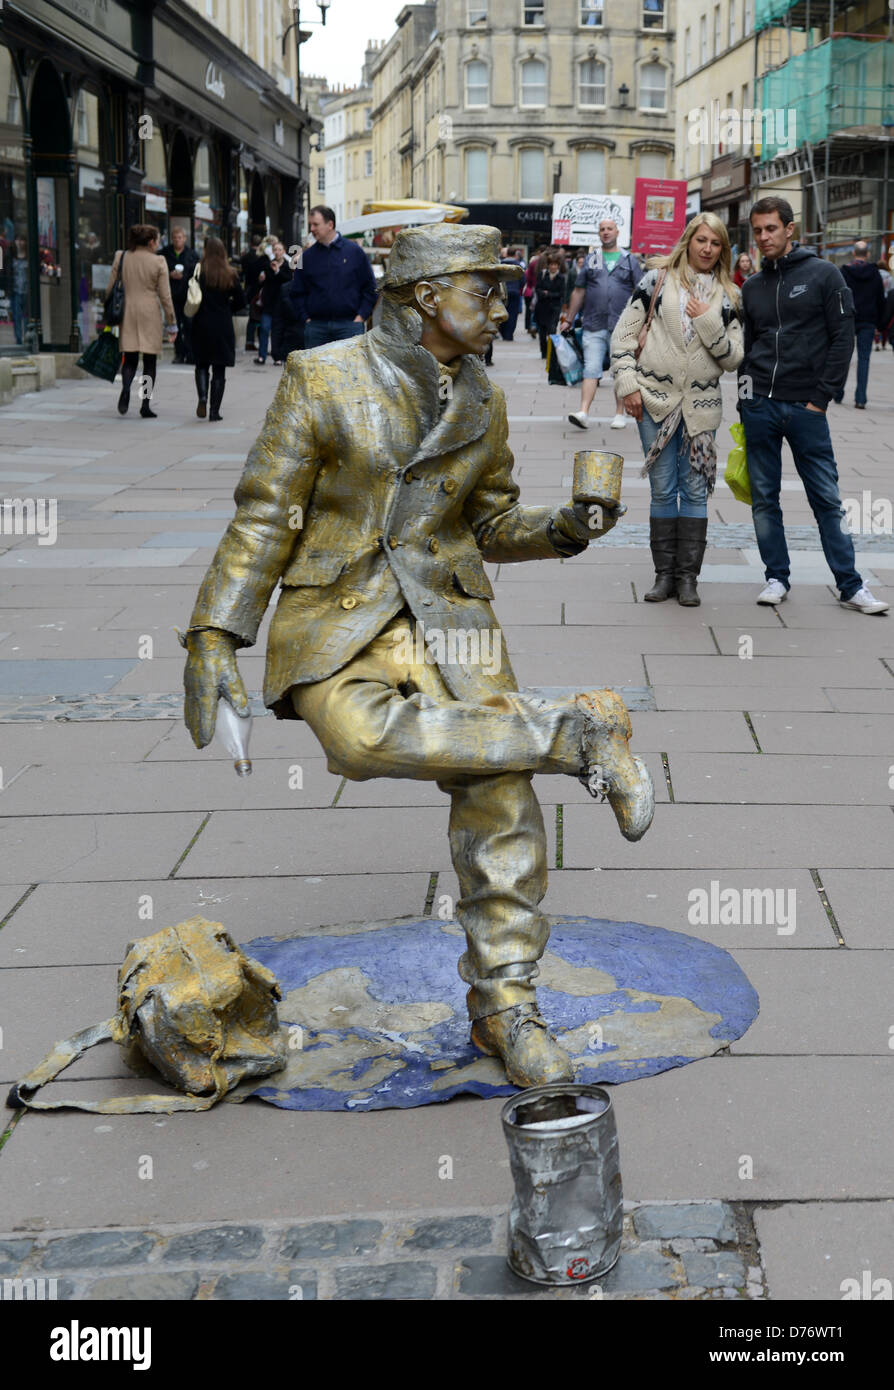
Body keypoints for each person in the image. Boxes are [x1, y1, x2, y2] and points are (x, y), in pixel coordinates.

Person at [180, 223, 654, 1089]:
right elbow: (263, 514)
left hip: (450, 617)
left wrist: (563, 529)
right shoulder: (322, 377)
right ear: (426, 295)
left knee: (499, 791)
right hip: (341, 612)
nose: (503, 307)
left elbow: (486, 523)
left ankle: (506, 1006)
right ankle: (571, 735)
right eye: (486, 291)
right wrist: (215, 633)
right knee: (357, 742)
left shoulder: (484, 395)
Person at [738, 196, 888, 615]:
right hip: (760, 407)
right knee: (764, 498)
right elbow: (748, 348)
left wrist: (821, 399)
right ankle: (776, 576)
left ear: (790, 229)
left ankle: (851, 586)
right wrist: (745, 399)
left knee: (826, 499)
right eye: (758, 230)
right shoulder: (752, 287)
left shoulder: (825, 275)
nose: (764, 237)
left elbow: (843, 340)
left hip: (806, 408)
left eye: (771, 228)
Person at [612, 212, 744, 607]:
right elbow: (622, 338)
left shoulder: (729, 294)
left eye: (715, 243)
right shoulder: (656, 280)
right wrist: (627, 385)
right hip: (653, 401)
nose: (707, 248)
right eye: (701, 240)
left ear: (723, 249)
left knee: (695, 492)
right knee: (663, 489)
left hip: (701, 409)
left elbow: (734, 358)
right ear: (688, 240)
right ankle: (663, 575)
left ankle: (688, 578)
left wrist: (707, 320)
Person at [560, 218, 644, 430]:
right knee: (591, 368)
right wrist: (569, 318)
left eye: (609, 229)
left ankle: (619, 414)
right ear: (598, 234)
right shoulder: (592, 259)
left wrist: (643, 324)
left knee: (620, 370)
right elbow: (579, 290)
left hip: (622, 326)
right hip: (593, 323)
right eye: (602, 229)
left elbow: (641, 293)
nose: (606, 232)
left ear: (617, 232)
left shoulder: (629, 260)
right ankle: (583, 412)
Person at [286, 205, 377, 350]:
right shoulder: (307, 257)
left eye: (316, 224)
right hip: (316, 328)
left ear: (330, 225)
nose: (312, 229)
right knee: (317, 372)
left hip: (349, 326)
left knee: (349, 372)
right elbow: (296, 291)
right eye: (310, 224)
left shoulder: (354, 252)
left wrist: (360, 317)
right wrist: (306, 319)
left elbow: (370, 287)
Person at [108, 224, 176, 419]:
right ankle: (145, 403)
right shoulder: (159, 261)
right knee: (149, 361)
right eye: (156, 240)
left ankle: (126, 388)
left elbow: (110, 286)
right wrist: (172, 321)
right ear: (150, 241)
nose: (158, 244)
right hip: (149, 312)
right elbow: (165, 295)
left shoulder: (121, 257)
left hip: (127, 311)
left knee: (129, 358)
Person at [189, 236, 247, 423]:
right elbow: (241, 301)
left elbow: (187, 293)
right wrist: (227, 307)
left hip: (201, 323)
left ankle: (203, 397)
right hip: (222, 325)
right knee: (219, 370)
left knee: (202, 364)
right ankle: (214, 411)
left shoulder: (199, 270)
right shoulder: (230, 273)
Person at [835, 242, 885, 408]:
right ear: (867, 254)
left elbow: (839, 296)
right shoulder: (875, 273)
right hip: (868, 320)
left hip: (848, 318)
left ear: (854, 253)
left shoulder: (844, 271)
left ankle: (838, 393)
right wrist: (880, 322)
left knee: (844, 357)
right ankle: (861, 399)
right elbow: (880, 299)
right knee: (864, 359)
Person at [157, 225, 199, 363]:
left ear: (185, 239)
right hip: (171, 294)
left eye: (180, 237)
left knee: (189, 325)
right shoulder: (164, 253)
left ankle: (191, 353)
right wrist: (169, 274)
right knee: (174, 325)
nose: (177, 240)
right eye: (174, 237)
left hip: (188, 295)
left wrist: (185, 275)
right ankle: (179, 353)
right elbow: (158, 270)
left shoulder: (192, 254)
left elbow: (196, 273)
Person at [253, 241, 291, 365]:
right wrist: (261, 279)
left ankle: (277, 357)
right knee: (264, 329)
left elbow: (287, 280)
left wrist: (277, 271)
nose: (277, 252)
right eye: (275, 250)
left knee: (277, 332)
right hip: (268, 303)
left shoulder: (287, 266)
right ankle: (262, 356)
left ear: (284, 251)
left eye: (280, 250)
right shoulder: (268, 265)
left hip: (281, 305)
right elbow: (265, 281)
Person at [534, 251, 565, 359]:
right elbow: (537, 289)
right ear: (548, 265)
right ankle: (543, 352)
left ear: (558, 266)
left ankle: (551, 353)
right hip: (542, 308)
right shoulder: (542, 275)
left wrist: (548, 293)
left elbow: (561, 293)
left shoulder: (561, 278)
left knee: (552, 331)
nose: (553, 267)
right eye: (551, 264)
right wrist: (545, 293)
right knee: (542, 334)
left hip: (554, 309)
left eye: (555, 264)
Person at [240, 235, 267, 353]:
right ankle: (257, 341)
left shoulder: (245, 257)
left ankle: (249, 342)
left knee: (252, 317)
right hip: (259, 290)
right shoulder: (262, 259)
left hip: (249, 289)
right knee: (259, 317)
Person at [498, 246, 525, 340]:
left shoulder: (500, 264)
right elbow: (523, 280)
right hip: (514, 292)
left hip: (502, 293)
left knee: (502, 312)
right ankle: (509, 335)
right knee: (512, 314)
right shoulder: (518, 265)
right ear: (514, 254)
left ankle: (502, 332)